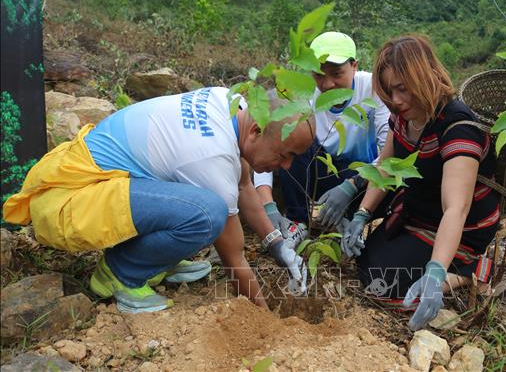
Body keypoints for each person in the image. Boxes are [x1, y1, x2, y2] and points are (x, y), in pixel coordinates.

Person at [3, 87, 314, 313]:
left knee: (205, 206)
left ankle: (156, 261)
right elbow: (234, 256)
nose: (286, 166)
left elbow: (245, 182)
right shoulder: (211, 157)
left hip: (103, 184)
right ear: (256, 132)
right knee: (208, 215)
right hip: (71, 200)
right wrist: (263, 315)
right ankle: (120, 273)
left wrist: (277, 245)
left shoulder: (233, 103)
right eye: (285, 155)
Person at [340, 35, 502, 330]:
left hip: (460, 224)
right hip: (419, 202)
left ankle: (469, 270)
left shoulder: (459, 127)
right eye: (390, 91)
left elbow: (457, 207)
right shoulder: (403, 116)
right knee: (352, 213)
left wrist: (437, 272)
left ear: (425, 76)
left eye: (403, 88)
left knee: (383, 282)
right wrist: (362, 214)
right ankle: (412, 250)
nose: (397, 99)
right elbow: (386, 170)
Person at [254, 31, 391, 239]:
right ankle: (298, 221)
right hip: (320, 169)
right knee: (295, 138)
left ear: (354, 66)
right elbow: (270, 145)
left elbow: (389, 153)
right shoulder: (305, 96)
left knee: (391, 184)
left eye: (337, 74)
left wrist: (353, 185)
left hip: (361, 177)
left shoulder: (373, 90)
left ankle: (346, 218)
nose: (327, 85)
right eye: (318, 75)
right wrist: (268, 205)